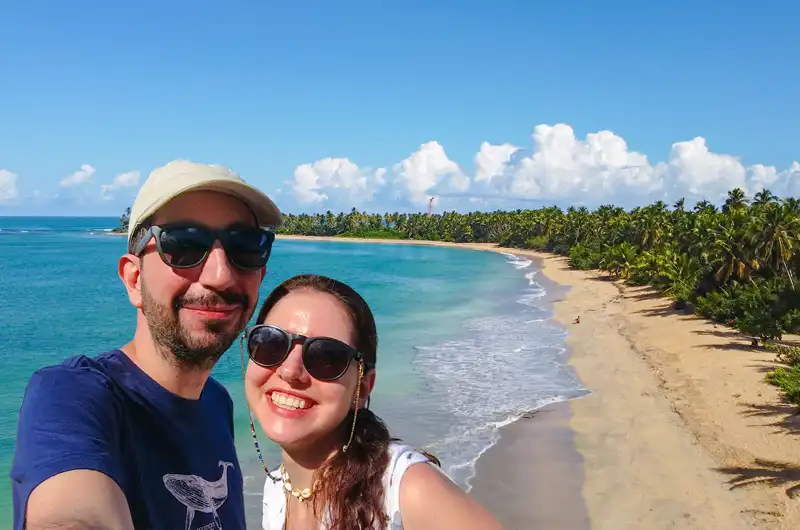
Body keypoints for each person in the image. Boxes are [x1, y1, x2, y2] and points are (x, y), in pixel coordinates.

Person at [11, 160, 283, 530]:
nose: (221, 275)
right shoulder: (70, 396)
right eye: (184, 245)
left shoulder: (218, 403)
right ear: (134, 279)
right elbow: (71, 513)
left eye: (245, 247)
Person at [241, 274, 504, 530]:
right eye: (270, 343)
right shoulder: (277, 488)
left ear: (363, 386)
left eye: (326, 357)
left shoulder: (406, 490)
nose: (289, 371)